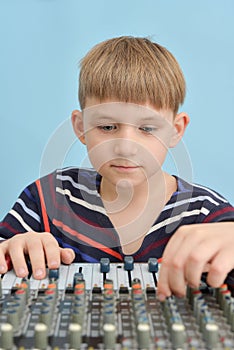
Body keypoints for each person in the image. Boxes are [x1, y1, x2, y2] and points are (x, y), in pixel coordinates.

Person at [0, 36, 234, 301]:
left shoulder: (205, 212)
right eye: (107, 127)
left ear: (175, 130)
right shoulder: (49, 198)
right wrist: (10, 249)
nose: (126, 148)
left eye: (147, 129)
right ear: (81, 127)